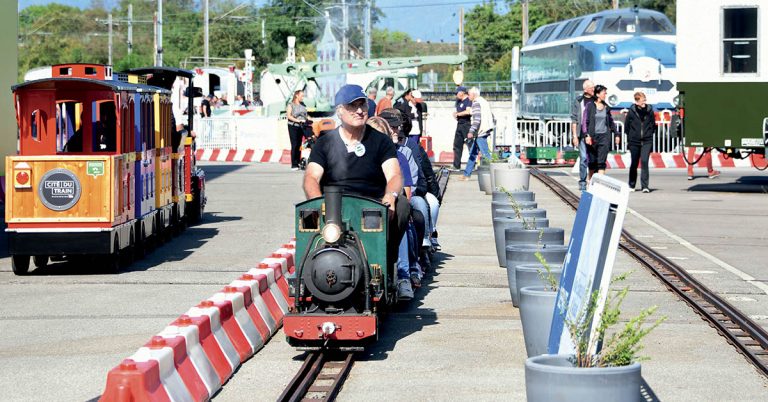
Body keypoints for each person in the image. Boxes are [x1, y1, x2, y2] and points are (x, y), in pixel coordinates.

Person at [303, 84, 410, 298]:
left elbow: (394, 175)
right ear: (340, 110)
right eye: (353, 106)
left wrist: (390, 196)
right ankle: (306, 272)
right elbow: (311, 178)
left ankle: (386, 263)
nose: (360, 111)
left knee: (403, 207)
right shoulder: (324, 143)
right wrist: (317, 202)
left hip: (372, 206)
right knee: (305, 216)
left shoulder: (381, 141)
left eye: (363, 105)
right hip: (334, 205)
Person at [584, 85, 621, 180]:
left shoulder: (606, 107)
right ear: (598, 94)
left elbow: (611, 122)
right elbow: (585, 122)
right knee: (592, 162)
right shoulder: (590, 106)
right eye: (604, 93)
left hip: (604, 137)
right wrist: (587, 135)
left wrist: (616, 134)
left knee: (601, 162)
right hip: (592, 137)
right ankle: (590, 180)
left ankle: (599, 183)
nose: (605, 95)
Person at [459, 87, 494, 181]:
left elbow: (477, 119)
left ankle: (495, 175)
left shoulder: (476, 103)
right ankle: (466, 174)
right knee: (473, 153)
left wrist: (471, 131)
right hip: (484, 130)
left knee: (486, 155)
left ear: (474, 95)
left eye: (469, 94)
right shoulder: (483, 101)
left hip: (480, 132)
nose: (468, 96)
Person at [624, 91, 655, 192]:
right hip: (634, 141)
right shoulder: (631, 111)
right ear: (637, 102)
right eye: (642, 101)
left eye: (645, 100)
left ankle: (645, 186)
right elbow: (627, 126)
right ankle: (632, 185)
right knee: (634, 162)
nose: (644, 102)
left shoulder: (649, 110)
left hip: (647, 140)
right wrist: (631, 136)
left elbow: (653, 124)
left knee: (644, 161)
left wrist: (649, 133)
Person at [571, 80, 595, 191]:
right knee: (584, 158)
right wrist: (574, 136)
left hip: (594, 134)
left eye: (593, 87)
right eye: (591, 87)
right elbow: (574, 119)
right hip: (582, 134)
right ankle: (582, 181)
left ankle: (593, 181)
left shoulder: (596, 100)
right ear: (585, 89)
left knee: (593, 159)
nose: (593, 89)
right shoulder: (578, 101)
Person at [287, 90, 309, 171]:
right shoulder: (291, 105)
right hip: (293, 126)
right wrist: (298, 121)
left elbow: (306, 115)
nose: (303, 97)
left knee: (300, 145)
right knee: (295, 144)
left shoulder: (303, 105)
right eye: (301, 96)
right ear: (296, 95)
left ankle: (299, 162)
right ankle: (294, 164)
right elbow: (289, 116)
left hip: (302, 126)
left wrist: (310, 120)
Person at [452, 86, 472, 171]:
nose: (456, 95)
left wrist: (458, 114)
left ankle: (472, 165)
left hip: (466, 124)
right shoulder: (459, 102)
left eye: (457, 93)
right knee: (457, 145)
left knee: (470, 144)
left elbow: (468, 111)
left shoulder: (468, 100)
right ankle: (456, 165)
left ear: (462, 92)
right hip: (459, 124)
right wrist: (455, 115)